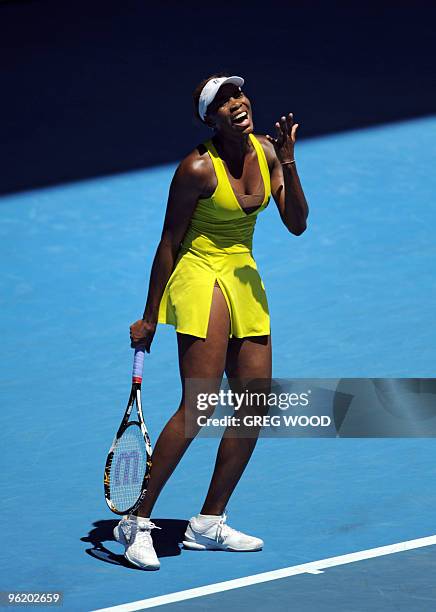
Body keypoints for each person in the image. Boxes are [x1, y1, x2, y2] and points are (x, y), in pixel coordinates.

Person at [114, 73, 309, 570]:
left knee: (256, 401)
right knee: (200, 403)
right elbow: (168, 243)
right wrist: (150, 315)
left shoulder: (267, 153)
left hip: (243, 274)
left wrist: (287, 159)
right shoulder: (196, 168)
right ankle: (135, 520)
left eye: (239, 95)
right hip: (199, 273)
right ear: (210, 119)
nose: (236, 103)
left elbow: (297, 223)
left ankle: (208, 522)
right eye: (223, 102)